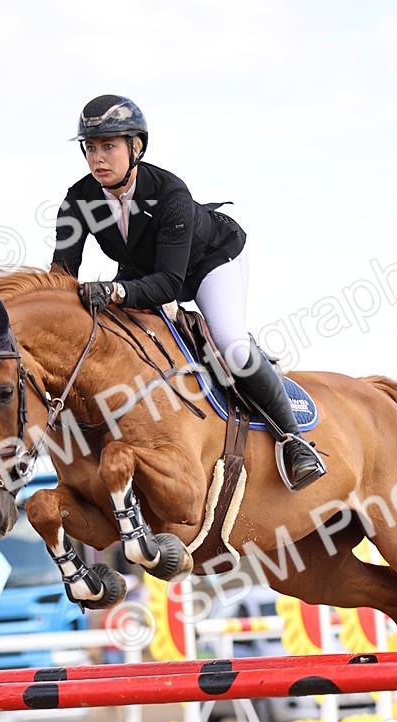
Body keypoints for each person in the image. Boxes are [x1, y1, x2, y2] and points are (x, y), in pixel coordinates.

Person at [51, 94, 325, 489]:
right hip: (144, 269)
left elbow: (170, 285)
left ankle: (294, 441)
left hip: (209, 263)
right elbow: (62, 275)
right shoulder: (78, 200)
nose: (98, 158)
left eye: (108, 146)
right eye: (90, 148)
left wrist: (114, 291)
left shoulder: (169, 193)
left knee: (231, 344)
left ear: (136, 147)